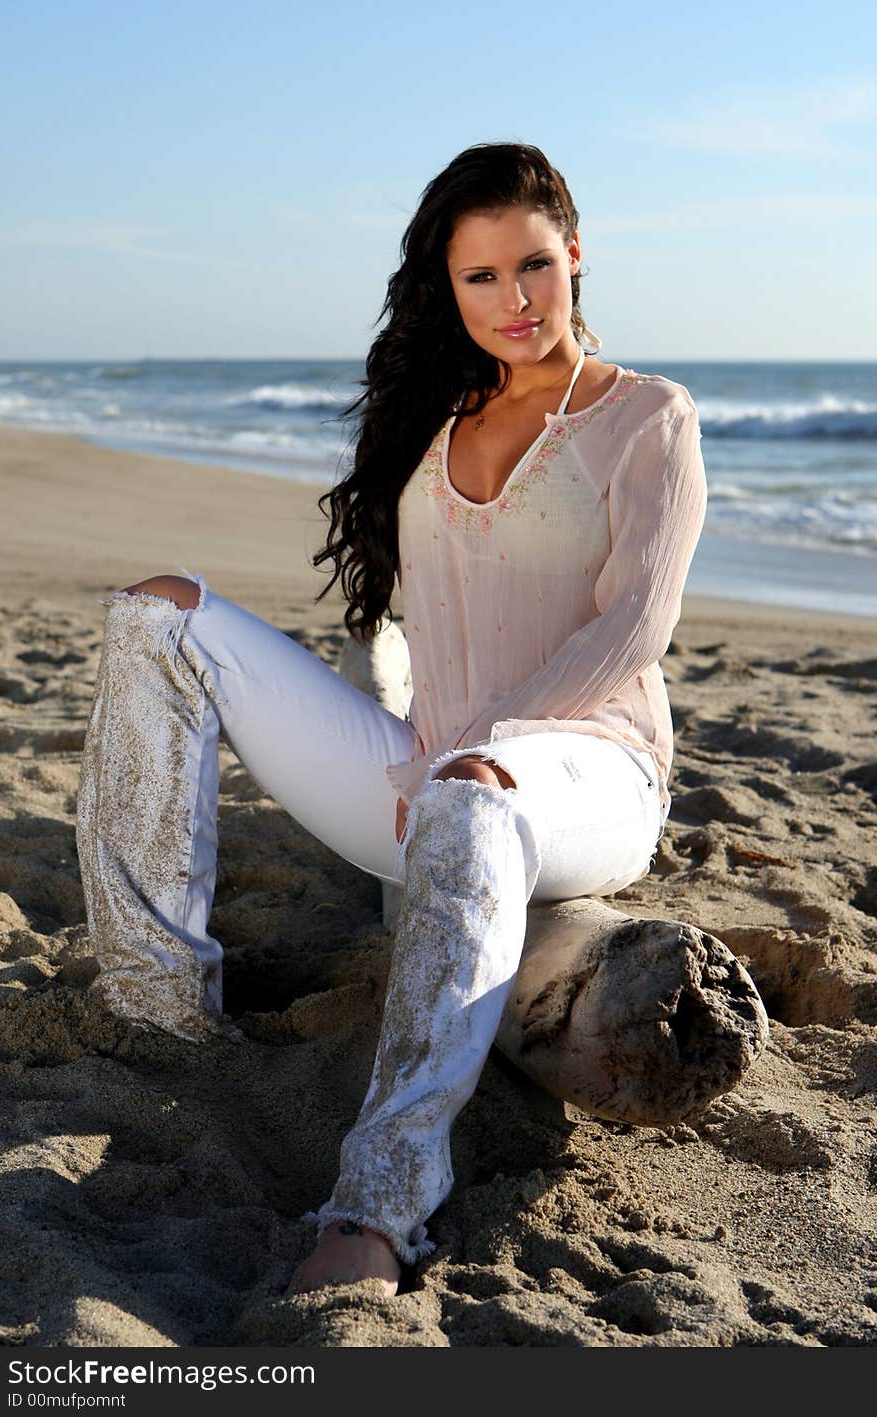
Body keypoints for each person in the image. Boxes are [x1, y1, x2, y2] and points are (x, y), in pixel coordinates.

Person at [75, 142, 708, 1298]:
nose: (515, 301)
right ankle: (158, 1007)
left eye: (534, 266)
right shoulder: (436, 411)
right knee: (156, 615)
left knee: (469, 790)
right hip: (426, 771)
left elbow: (631, 631)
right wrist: (441, 745)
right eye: (481, 278)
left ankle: (378, 1206)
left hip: (588, 779)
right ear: (446, 288)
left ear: (576, 255)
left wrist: (491, 743)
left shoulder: (648, 419)